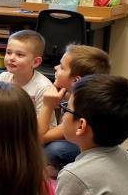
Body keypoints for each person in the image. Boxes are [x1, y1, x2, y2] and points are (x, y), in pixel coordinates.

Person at [39, 44, 110, 174]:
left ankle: (60, 168)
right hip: (82, 145)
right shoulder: (70, 93)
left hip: (91, 153)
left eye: (61, 67)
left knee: (52, 150)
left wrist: (47, 105)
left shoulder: (84, 105)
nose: (55, 67)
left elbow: (39, 137)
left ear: (76, 80)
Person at [0, 29, 53, 119]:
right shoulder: (3, 78)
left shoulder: (43, 87)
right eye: (8, 52)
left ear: (35, 62)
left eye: (19, 55)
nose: (11, 58)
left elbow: (46, 125)